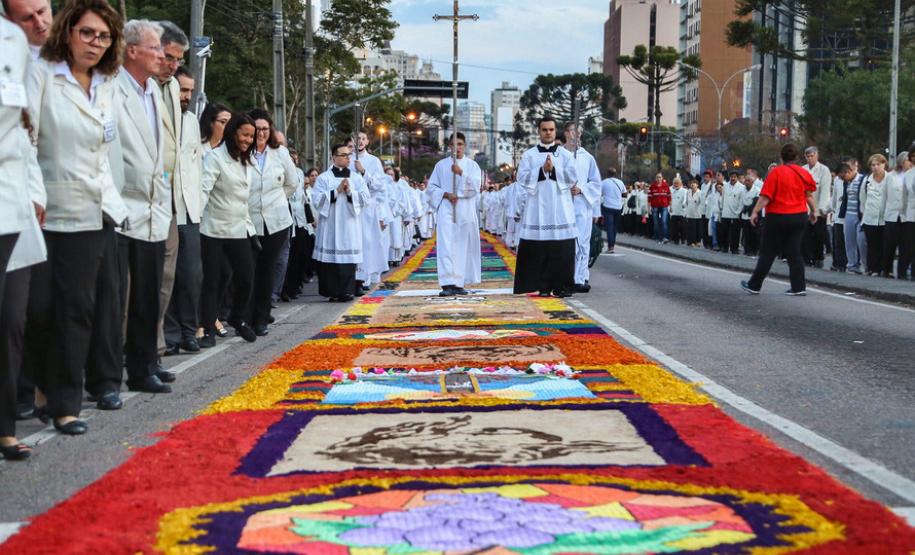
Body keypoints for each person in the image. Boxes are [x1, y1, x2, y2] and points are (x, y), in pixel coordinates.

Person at [25, 0, 130, 434]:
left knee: (78, 308)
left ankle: (67, 403)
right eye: (87, 33)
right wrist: (32, 194)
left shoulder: (107, 83)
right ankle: (39, 389)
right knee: (37, 308)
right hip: (44, 206)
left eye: (103, 37)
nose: (95, 43)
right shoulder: (42, 74)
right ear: (67, 31)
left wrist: (113, 204)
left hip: (93, 210)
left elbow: (102, 151)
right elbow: (26, 136)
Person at [109, 19, 173, 394]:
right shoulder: (113, 88)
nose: (162, 56)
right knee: (117, 298)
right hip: (121, 207)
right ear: (132, 50)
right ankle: (109, 370)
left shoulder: (154, 91)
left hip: (152, 208)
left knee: (149, 293)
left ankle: (145, 362)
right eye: (155, 49)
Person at [0, 11, 45, 458]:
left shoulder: (12, 41)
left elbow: (24, 133)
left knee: (12, 319)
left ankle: (5, 426)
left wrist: (35, 194)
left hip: (10, 206)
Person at [198, 113, 258, 346]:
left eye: (251, 136)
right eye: (245, 134)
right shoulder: (214, 158)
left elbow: (243, 201)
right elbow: (204, 189)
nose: (248, 140)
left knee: (246, 278)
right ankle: (208, 329)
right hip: (213, 229)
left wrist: (250, 230)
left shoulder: (247, 161)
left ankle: (237, 317)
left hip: (238, 229)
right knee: (213, 281)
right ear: (233, 133)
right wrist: (196, 218)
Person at [156, 21, 196, 357]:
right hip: (135, 197)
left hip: (172, 200)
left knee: (168, 278)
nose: (172, 66)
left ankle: (153, 350)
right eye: (168, 58)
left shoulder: (169, 89)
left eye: (177, 61)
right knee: (136, 283)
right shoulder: (126, 85)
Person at [244, 109, 297, 335]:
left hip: (276, 221)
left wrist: (274, 201)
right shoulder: (242, 153)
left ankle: (262, 317)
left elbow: (292, 183)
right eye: (256, 129)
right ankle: (246, 316)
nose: (261, 134)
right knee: (248, 270)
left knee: (266, 269)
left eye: (265, 129)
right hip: (249, 219)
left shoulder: (280, 153)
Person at [514, 117, 578, 297]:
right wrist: (542, 170)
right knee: (539, 250)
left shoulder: (565, 155)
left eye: (551, 129)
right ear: (539, 131)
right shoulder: (529, 155)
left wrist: (554, 170)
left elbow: (573, 177)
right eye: (544, 130)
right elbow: (522, 178)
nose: (548, 133)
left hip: (560, 209)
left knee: (560, 250)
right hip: (537, 209)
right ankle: (542, 286)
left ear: (555, 131)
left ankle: (561, 286)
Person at [741, 143, 817, 295]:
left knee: (768, 252)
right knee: (794, 252)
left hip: (778, 216)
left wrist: (755, 212)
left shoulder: (776, 173)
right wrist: (814, 211)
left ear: (781, 157)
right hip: (799, 215)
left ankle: (754, 285)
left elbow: (765, 197)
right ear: (796, 157)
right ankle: (798, 287)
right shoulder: (803, 173)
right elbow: (808, 195)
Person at [163, 66, 203, 354]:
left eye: (190, 90)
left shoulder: (192, 121)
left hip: (189, 208)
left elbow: (196, 165)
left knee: (191, 275)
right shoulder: (160, 114)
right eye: (182, 90)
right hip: (165, 205)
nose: (186, 96)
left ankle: (190, 331)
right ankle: (171, 335)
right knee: (167, 276)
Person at [313, 144, 370, 302]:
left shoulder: (356, 178)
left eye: (348, 155)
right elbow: (316, 200)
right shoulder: (324, 178)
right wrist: (336, 191)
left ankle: (346, 291)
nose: (347, 158)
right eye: (344, 155)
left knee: (347, 261)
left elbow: (366, 198)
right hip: (330, 225)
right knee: (330, 261)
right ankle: (331, 291)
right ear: (334, 157)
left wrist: (351, 192)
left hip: (349, 224)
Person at [426, 133, 482, 296]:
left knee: (462, 246)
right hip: (446, 209)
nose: (456, 148)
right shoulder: (441, 165)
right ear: (449, 146)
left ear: (464, 146)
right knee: (446, 245)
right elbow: (431, 189)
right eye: (453, 144)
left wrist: (461, 173)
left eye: (460, 144)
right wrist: (445, 194)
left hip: (464, 210)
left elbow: (475, 187)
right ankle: (446, 283)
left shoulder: (472, 166)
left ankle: (459, 282)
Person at [563, 122, 602, 293]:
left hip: (581, 205)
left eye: (579, 132)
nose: (576, 134)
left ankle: (580, 277)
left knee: (582, 242)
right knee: (566, 242)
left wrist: (581, 190)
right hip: (563, 206)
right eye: (573, 131)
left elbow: (596, 182)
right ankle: (565, 276)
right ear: (566, 133)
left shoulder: (587, 158)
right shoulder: (559, 155)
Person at [349, 132, 388, 292]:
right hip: (350, 208)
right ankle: (351, 278)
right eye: (356, 138)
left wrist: (364, 171)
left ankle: (362, 279)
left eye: (363, 138)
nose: (359, 141)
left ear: (367, 141)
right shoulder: (347, 159)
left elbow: (381, 186)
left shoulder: (373, 161)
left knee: (366, 243)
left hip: (367, 209)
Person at [284, 165, 317, 299]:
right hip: (288, 218)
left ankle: (296, 285)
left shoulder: (298, 172)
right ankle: (286, 289)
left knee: (301, 256)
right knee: (289, 257)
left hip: (301, 221)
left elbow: (303, 199)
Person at [803, 147, 832, 268]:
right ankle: (806, 258)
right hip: (804, 208)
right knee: (805, 235)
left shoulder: (824, 170)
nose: (810, 159)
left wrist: (820, 210)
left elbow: (825, 191)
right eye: (808, 156)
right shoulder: (802, 169)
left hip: (818, 208)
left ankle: (818, 258)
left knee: (818, 235)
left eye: (812, 156)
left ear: (817, 156)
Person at [860, 154, 888, 275]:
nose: (876, 167)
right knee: (872, 245)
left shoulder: (890, 179)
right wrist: (864, 215)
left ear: (884, 164)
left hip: (885, 218)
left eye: (878, 164)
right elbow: (862, 199)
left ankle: (885, 269)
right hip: (870, 218)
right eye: (873, 165)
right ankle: (873, 269)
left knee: (885, 245)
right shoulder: (867, 180)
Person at [880, 152, 908, 278]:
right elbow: (884, 196)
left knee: (905, 245)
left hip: (906, 215)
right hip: (892, 214)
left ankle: (902, 272)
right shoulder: (890, 176)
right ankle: (887, 269)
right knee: (890, 244)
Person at [600, 168, 625, 253]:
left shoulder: (604, 182)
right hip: (618, 207)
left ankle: (611, 246)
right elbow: (625, 193)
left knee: (609, 227)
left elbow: (599, 193)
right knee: (615, 227)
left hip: (608, 206)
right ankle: (612, 245)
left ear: (607, 174)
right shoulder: (620, 182)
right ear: (615, 174)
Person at [648, 173, 671, 243]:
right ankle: (657, 237)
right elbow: (649, 198)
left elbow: (669, 197)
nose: (658, 179)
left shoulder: (666, 186)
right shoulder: (652, 186)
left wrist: (671, 206)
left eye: (660, 177)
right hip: (655, 207)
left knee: (664, 221)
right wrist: (648, 208)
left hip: (664, 206)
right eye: (657, 177)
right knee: (656, 223)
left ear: (662, 178)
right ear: (655, 178)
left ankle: (665, 237)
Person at [668, 177, 687, 245]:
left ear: (680, 183)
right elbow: (670, 200)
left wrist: (683, 204)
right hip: (674, 211)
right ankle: (676, 239)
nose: (676, 185)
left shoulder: (684, 191)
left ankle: (683, 239)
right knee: (674, 227)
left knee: (682, 226)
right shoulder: (672, 190)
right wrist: (670, 208)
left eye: (677, 183)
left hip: (682, 211)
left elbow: (685, 199)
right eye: (675, 183)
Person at [685, 179, 703, 247]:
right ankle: (690, 242)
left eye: (694, 183)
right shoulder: (688, 192)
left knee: (697, 228)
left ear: (697, 185)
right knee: (690, 228)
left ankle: (698, 241)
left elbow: (702, 203)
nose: (692, 184)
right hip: (689, 213)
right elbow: (686, 201)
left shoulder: (700, 192)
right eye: (691, 183)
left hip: (697, 213)